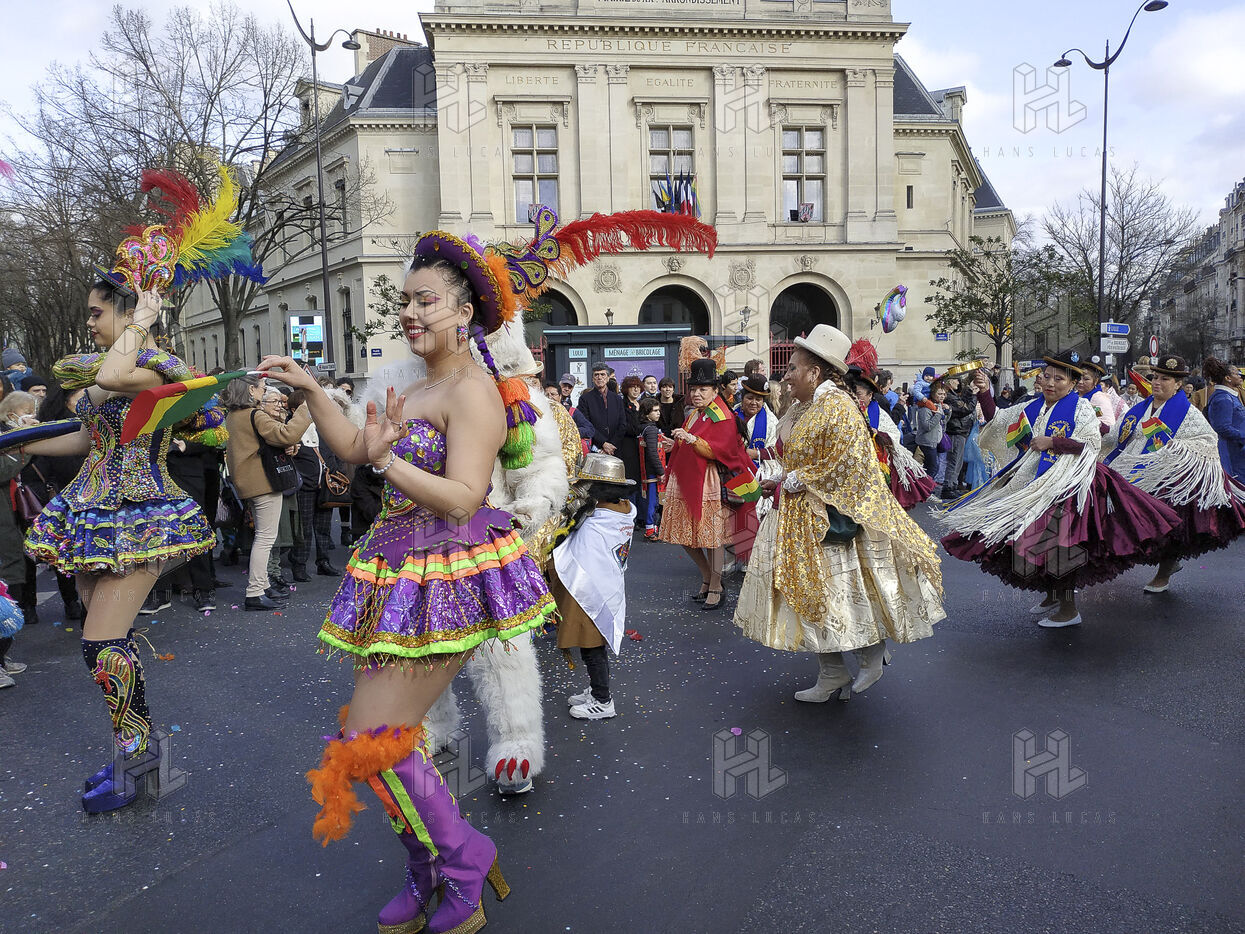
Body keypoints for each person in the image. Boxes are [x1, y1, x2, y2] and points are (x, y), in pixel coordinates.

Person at [259, 227, 562, 934]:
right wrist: (311, 389)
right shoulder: (412, 383)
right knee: (377, 737)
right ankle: (431, 864)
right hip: (396, 569)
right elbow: (352, 445)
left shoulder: (475, 391)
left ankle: (462, 858)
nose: (409, 312)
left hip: (451, 572)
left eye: (425, 301)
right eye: (405, 301)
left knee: (376, 736)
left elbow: (463, 497)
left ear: (464, 312)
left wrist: (388, 464)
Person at [22, 279, 216, 812]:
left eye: (96, 312)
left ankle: (138, 755)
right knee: (111, 642)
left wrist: (143, 320)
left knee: (102, 643)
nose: (89, 323)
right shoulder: (114, 368)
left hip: (140, 514)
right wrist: (22, 441)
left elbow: (111, 377)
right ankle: (137, 749)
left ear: (129, 313)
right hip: (93, 513)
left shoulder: (152, 371)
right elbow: (89, 438)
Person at [735, 324, 945, 700]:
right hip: (799, 519)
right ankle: (832, 672)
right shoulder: (808, 406)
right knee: (808, 597)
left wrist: (790, 481)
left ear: (815, 372)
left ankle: (870, 654)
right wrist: (780, 478)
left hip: (829, 524)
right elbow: (801, 457)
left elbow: (843, 465)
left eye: (793, 368)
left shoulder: (837, 406)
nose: (786, 376)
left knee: (838, 596)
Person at [941, 351, 1180, 627]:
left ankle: (1069, 610)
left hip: (1070, 487)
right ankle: (1052, 595)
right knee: (1035, 543)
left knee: (1059, 546)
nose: (1050, 383)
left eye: (1059, 379)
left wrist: (1053, 442)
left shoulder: (1081, 408)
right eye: (1047, 377)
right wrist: (985, 391)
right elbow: (998, 419)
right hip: (1037, 483)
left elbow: (1090, 445)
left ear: (1072, 383)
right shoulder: (1034, 406)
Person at [1101, 354, 1245, 594]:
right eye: (1155, 377)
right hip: (1133, 471)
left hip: (1167, 479)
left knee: (1168, 530)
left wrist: (1177, 450)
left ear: (1178, 384)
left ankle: (1165, 569)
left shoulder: (1188, 413)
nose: (1157, 382)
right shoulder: (1140, 409)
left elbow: (1207, 441)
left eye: (1164, 379)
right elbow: (1115, 436)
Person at [658, 357, 759, 611]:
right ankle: (707, 577)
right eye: (693, 389)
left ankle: (715, 585)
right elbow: (689, 442)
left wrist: (690, 440)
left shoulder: (722, 415)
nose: (696, 394)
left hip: (711, 481)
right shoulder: (695, 413)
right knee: (683, 533)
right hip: (689, 479)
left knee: (712, 538)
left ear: (715, 390)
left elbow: (719, 451)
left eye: (703, 389)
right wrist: (675, 444)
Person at [549, 453, 636, 720]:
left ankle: (602, 699)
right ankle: (597, 689)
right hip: (605, 587)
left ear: (598, 489)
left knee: (591, 646)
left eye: (586, 485)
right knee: (593, 645)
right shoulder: (622, 511)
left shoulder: (596, 521)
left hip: (591, 591)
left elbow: (571, 552)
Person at [220, 375, 311, 610]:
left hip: (248, 481)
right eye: (261, 387)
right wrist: (305, 410)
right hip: (264, 481)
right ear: (251, 390)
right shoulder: (255, 414)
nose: (264, 390)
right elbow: (287, 434)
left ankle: (261, 586)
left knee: (262, 536)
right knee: (265, 538)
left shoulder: (233, 415)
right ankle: (254, 592)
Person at [27, 384, 88, 620]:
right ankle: (72, 601)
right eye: (82, 397)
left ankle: (86, 607)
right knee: (66, 553)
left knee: (87, 555)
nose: (87, 401)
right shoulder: (55, 426)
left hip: (89, 496)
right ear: (67, 399)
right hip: (65, 497)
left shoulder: (92, 421)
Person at [846, 363, 938, 509]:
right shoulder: (849, 410)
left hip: (878, 464)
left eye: (859, 395)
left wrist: (878, 434)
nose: (856, 398)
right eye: (853, 394)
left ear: (870, 395)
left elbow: (892, 432)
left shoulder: (878, 411)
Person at [1203, 357, 1245, 483]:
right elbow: (1222, 428)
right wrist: (1243, 436)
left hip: (1238, 449)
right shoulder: (1223, 398)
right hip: (1231, 452)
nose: (1241, 376)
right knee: (1237, 485)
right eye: (1237, 373)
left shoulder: (1228, 396)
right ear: (1228, 378)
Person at [578, 362, 629, 456]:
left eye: (602, 374)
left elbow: (622, 424)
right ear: (592, 378)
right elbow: (586, 424)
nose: (599, 377)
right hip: (595, 449)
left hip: (615, 449)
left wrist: (611, 445)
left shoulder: (617, 399)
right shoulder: (585, 399)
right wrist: (603, 443)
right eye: (596, 375)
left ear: (608, 378)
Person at [939, 374, 974, 499]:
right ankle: (948, 487)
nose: (958, 383)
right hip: (955, 431)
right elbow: (966, 408)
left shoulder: (952, 395)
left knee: (957, 461)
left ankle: (952, 485)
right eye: (956, 380)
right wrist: (973, 394)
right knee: (954, 460)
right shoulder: (949, 396)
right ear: (950, 381)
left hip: (960, 430)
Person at [912, 381, 949, 494]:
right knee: (933, 467)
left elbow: (943, 422)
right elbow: (927, 426)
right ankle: (924, 490)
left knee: (930, 467)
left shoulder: (938, 406)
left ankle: (923, 489)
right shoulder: (925, 408)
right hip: (927, 441)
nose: (942, 396)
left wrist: (947, 412)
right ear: (933, 394)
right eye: (939, 394)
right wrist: (938, 414)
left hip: (934, 440)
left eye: (944, 394)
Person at [637, 398, 665, 540]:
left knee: (649, 499)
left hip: (646, 470)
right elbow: (653, 453)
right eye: (654, 411)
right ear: (647, 413)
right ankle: (650, 529)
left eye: (658, 410)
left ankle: (651, 528)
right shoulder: (651, 429)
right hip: (652, 471)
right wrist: (661, 471)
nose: (658, 413)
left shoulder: (643, 428)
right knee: (653, 501)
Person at [735, 374, 777, 464]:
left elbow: (776, 451)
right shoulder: (731, 414)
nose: (754, 403)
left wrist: (757, 454)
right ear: (742, 398)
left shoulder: (771, 422)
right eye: (750, 398)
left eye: (758, 399)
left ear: (763, 401)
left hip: (760, 468)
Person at [1075, 357, 1117, 436]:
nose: (1080, 382)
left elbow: (1108, 427)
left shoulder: (1100, 398)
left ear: (1096, 381)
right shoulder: (1073, 395)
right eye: (1078, 378)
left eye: (1086, 379)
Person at [619, 375, 645, 498]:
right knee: (630, 477)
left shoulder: (642, 404)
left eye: (638, 387)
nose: (636, 390)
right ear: (626, 389)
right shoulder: (623, 405)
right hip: (627, 445)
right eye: (632, 387)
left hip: (641, 445)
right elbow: (626, 426)